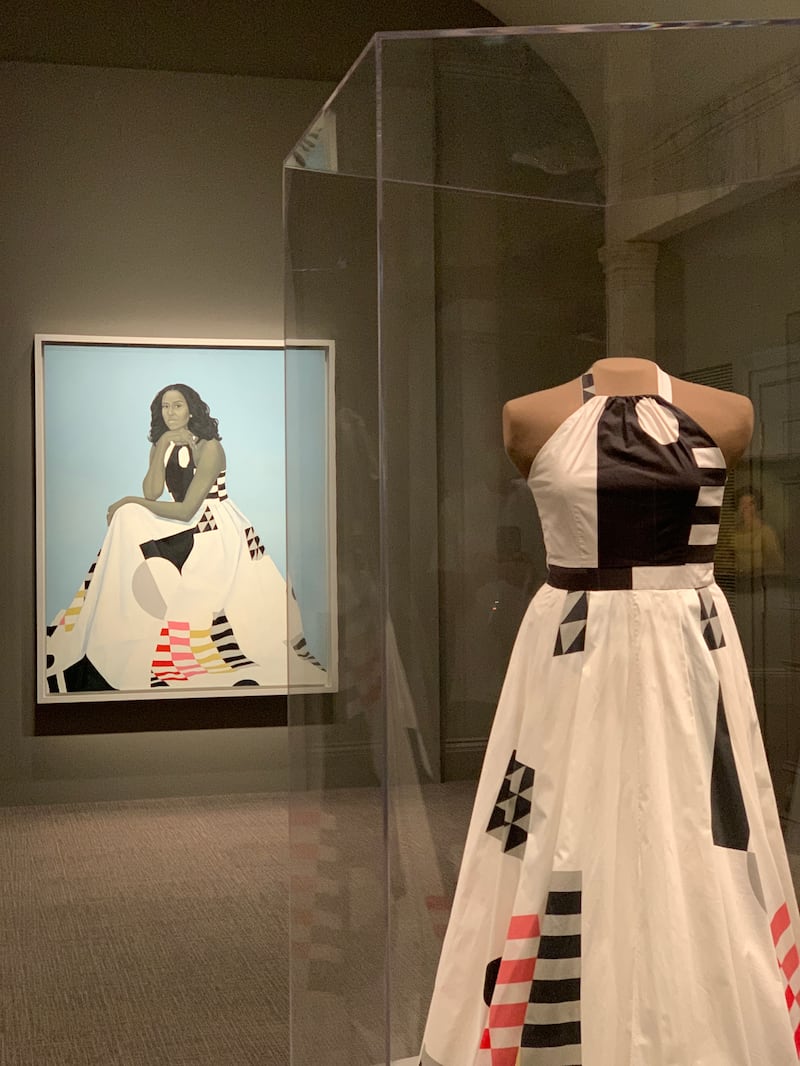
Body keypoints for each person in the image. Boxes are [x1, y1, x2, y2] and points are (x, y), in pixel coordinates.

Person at [419, 359, 800, 1066]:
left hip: (688, 652)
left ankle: (703, 1028)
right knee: (559, 825)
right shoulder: (527, 416)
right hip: (574, 650)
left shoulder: (731, 414)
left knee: (699, 829)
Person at [45, 384, 324, 694]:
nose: (171, 412)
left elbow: (188, 509)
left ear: (191, 409)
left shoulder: (209, 447)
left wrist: (129, 500)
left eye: (177, 405)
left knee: (129, 511)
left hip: (213, 526)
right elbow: (152, 492)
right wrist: (162, 445)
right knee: (127, 517)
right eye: (165, 407)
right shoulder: (161, 443)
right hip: (182, 520)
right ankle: (113, 613)